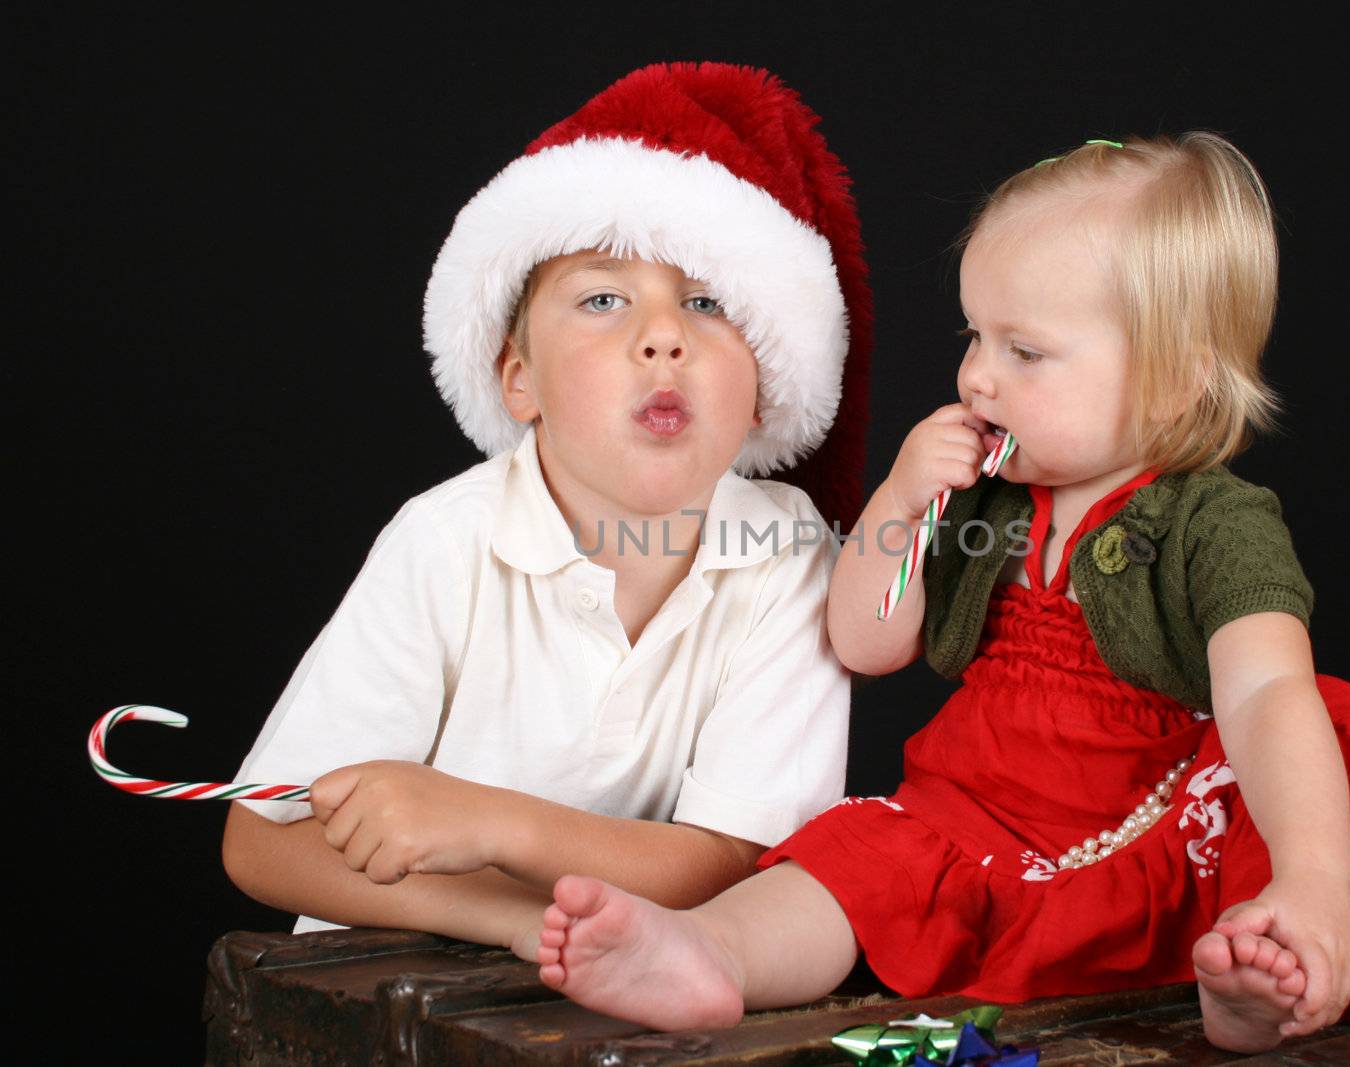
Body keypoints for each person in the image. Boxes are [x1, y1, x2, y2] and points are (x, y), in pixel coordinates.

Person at [523, 133, 1350, 1053]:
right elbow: (866, 642)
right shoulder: (984, 496)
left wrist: (1308, 873)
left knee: (1329, 730)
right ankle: (713, 952)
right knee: (860, 849)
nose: (976, 374)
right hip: (980, 819)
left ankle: (1282, 949)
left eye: (1025, 352)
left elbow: (1265, 690)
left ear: (1173, 383)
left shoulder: (1213, 521)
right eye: (975, 335)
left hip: (1157, 828)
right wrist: (901, 498)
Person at [220, 62, 873, 950]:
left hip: (618, 1000)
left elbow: (733, 861)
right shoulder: (446, 541)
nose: (663, 335)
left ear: (765, 387)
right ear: (518, 380)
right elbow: (263, 839)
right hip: (384, 989)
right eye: (603, 299)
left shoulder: (786, 548)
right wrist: (511, 919)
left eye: (708, 302)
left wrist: (496, 824)